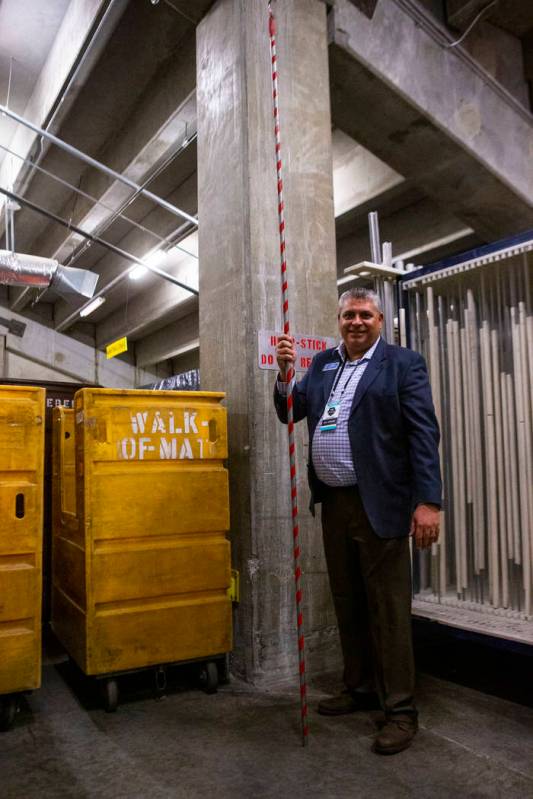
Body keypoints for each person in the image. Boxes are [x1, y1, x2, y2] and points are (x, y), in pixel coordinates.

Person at [274, 287, 441, 755]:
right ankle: (360, 685)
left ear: (379, 320)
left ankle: (401, 711)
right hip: (335, 502)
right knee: (347, 601)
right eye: (348, 314)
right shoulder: (323, 364)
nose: (356, 322)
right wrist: (286, 374)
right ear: (339, 319)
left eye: (365, 314)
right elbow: (291, 412)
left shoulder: (402, 365)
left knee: (387, 610)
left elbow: (424, 434)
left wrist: (428, 501)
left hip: (382, 503)